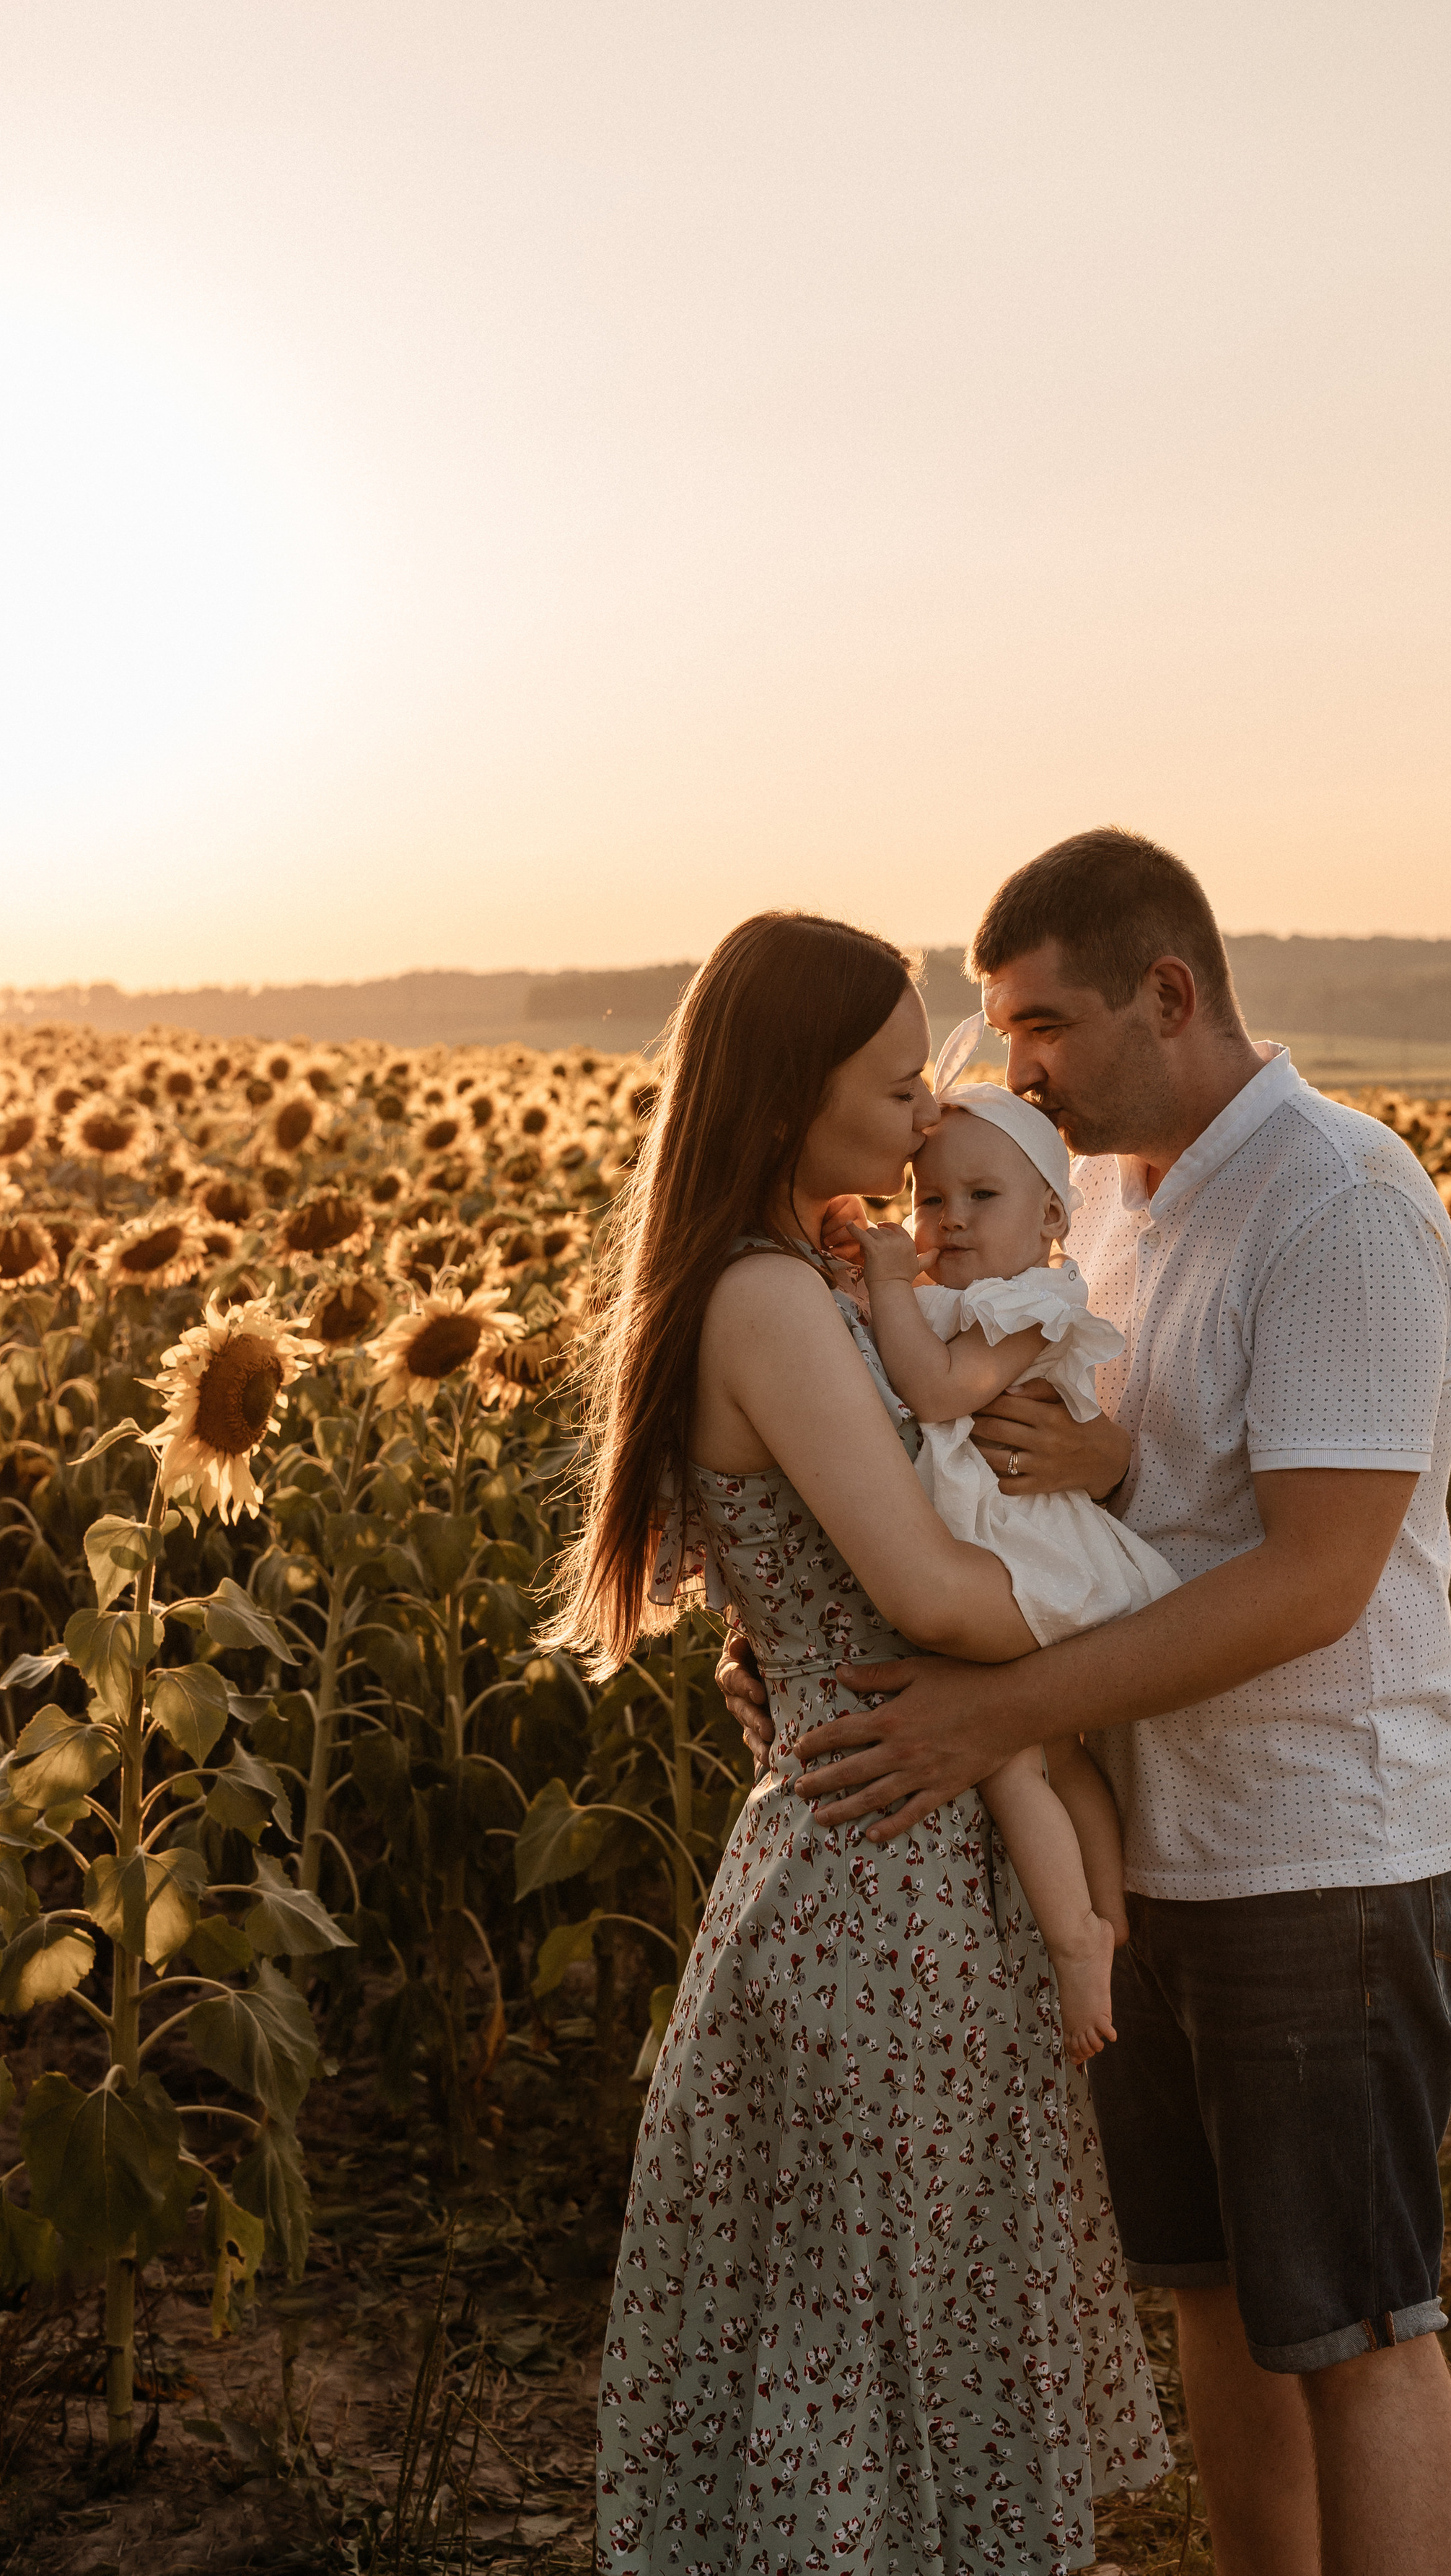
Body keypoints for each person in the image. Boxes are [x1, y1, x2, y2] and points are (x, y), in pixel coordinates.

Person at [721, 832, 1451, 2576]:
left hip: (1321, 1844)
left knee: (1357, 2324)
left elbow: (1312, 1577)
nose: (1012, 1073)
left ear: (1169, 992)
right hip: (1161, 1844)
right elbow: (1122, 1505)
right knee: (1213, 2301)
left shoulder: (1337, 1204)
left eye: (1041, 1024)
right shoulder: (1109, 1207)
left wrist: (1000, 1715)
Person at [553, 909, 1168, 2575]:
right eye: (898, 1085)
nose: (925, 1119)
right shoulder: (767, 1300)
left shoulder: (807, 1278)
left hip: (897, 1854)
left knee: (891, 2339)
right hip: (877, 1885)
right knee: (863, 2352)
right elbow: (925, 1593)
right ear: (779, 1098)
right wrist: (1142, 1614)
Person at [843, 1072, 1178, 2064]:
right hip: (995, 1541)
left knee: (1009, 1754)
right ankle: (1112, 1920)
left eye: (980, 1199)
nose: (947, 1222)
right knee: (1062, 1756)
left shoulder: (1036, 1302)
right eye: (927, 1198)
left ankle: (1076, 1941)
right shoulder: (959, 1297)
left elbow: (942, 1395)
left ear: (1050, 1216)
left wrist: (890, 1290)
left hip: (1024, 1553)